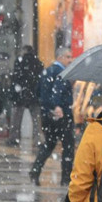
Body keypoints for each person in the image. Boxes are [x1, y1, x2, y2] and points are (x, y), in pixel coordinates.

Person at [30, 48, 74, 186]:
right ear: (60, 57)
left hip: (47, 115)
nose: (70, 60)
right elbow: (57, 91)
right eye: (67, 57)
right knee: (68, 146)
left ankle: (35, 171)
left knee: (49, 144)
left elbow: (37, 91)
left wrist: (47, 108)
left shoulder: (47, 71)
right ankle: (66, 178)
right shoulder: (61, 72)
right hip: (61, 115)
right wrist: (57, 107)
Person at [7, 45, 44, 147]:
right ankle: (38, 140)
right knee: (36, 120)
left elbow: (16, 77)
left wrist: (15, 91)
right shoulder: (38, 63)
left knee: (16, 119)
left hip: (20, 94)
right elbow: (40, 80)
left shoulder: (19, 61)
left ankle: (14, 139)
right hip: (34, 95)